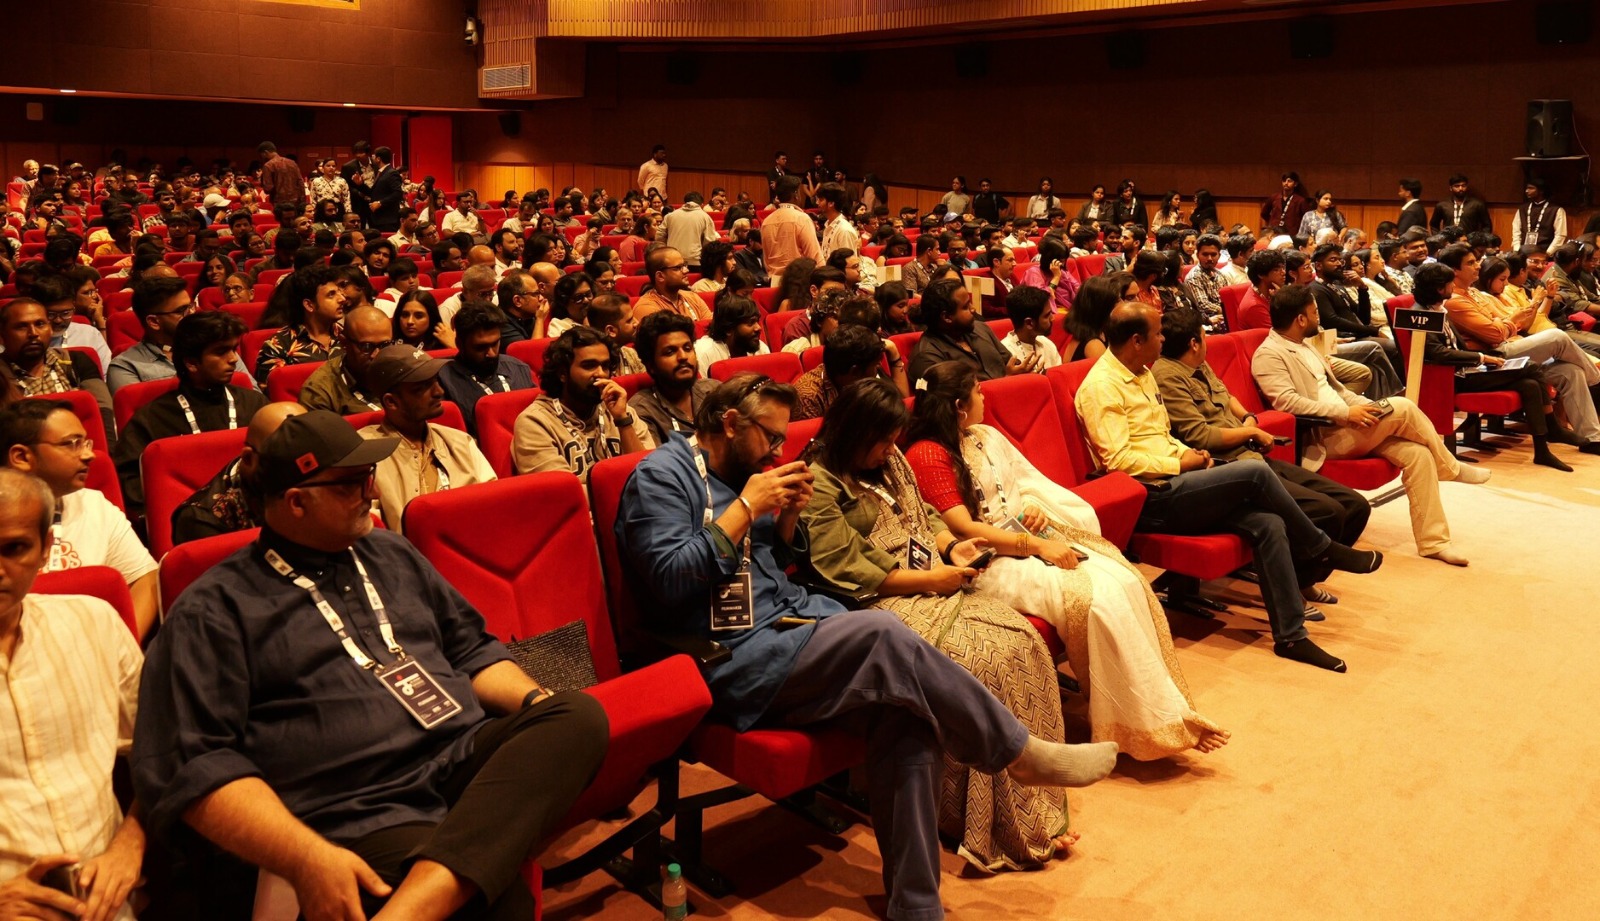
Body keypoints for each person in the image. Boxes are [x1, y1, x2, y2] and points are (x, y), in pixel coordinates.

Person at [617, 373, 1118, 921]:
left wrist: (784, 517)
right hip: (730, 655)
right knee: (882, 632)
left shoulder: (748, 472)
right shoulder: (660, 477)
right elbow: (668, 578)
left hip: (793, 628)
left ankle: (915, 905)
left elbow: (768, 564)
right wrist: (746, 508)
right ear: (730, 422)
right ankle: (1017, 753)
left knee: (908, 713)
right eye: (770, 436)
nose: (780, 450)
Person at [132, 409, 609, 919]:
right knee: (500, 902)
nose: (374, 493)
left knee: (576, 717)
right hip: (358, 805)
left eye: (371, 477)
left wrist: (534, 714)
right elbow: (196, 766)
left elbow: (471, 649)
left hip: (456, 755)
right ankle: (432, 895)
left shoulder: (390, 553)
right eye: (353, 483)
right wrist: (306, 854)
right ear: (296, 502)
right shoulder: (214, 609)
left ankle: (416, 903)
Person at [802, 377, 1088, 868]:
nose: (891, 450)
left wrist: (951, 546)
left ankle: (1034, 807)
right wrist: (931, 581)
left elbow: (926, 517)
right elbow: (848, 569)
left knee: (1021, 642)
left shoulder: (889, 459)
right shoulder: (820, 483)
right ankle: (983, 821)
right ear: (853, 432)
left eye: (895, 439)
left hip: (931, 579)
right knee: (983, 663)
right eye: (882, 439)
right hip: (876, 603)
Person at [905, 361, 1229, 758]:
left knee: (1125, 579)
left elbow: (1021, 488)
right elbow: (963, 528)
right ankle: (1133, 725)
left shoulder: (983, 435)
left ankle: (1164, 713)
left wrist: (1033, 511)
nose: (985, 396)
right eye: (978, 390)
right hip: (986, 563)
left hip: (1023, 539)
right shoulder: (927, 454)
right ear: (958, 404)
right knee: (1097, 600)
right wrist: (1036, 546)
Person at [1075, 302, 1384, 671]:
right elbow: (1119, 461)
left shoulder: (1141, 372)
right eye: (1158, 334)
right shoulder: (1102, 386)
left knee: (1268, 524)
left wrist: (1195, 456)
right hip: (1151, 496)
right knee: (1254, 474)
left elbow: (1159, 437)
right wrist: (1182, 461)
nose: (1163, 340)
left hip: (1183, 478)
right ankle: (1322, 547)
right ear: (1137, 340)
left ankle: (1291, 637)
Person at [1253, 284, 1490, 567]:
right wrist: (1345, 413)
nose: (1320, 318)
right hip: (1323, 435)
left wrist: (1361, 405)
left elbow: (1338, 390)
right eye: (1315, 313)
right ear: (1300, 319)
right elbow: (1287, 403)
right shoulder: (1269, 354)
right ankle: (1450, 467)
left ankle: (1434, 542)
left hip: (1347, 424)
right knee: (1402, 406)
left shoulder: (1304, 345)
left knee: (1418, 454)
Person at [0, 468, 146, 921]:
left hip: (112, 899)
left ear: (46, 550)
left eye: (14, 549)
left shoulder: (94, 622)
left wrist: (132, 842)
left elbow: (165, 753)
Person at [1152, 307, 1373, 606]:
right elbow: (1200, 436)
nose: (1206, 341)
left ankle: (1303, 577)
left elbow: (1225, 396)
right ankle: (1299, 582)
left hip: (1251, 456)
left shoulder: (1197, 363)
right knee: (1328, 512)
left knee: (1355, 505)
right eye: (1204, 336)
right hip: (1231, 468)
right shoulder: (1167, 376)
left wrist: (1249, 418)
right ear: (1195, 342)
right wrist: (1250, 433)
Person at [0, 400, 160, 639]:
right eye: (71, 444)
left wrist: (117, 646)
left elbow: (146, 578)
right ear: (22, 456)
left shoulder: (94, 504)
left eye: (85, 443)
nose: (88, 455)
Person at [1408, 263, 1577, 470]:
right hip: (1453, 377)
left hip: (1467, 369)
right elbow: (1438, 353)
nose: (1454, 286)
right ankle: (1553, 427)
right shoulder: (1421, 315)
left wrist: (1488, 356)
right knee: (1531, 367)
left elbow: (1457, 344)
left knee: (1529, 385)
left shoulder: (1439, 307)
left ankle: (1542, 451)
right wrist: (1481, 358)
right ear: (1439, 288)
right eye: (1450, 283)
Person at [1435, 245, 1600, 453]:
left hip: (1511, 344)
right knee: (1558, 337)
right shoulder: (1454, 301)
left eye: (1476, 261)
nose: (1477, 265)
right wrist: (1507, 323)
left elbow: (1511, 319)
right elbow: (1495, 334)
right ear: (1454, 270)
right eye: (1470, 263)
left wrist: (1505, 323)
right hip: (1492, 356)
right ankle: (1596, 381)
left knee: (1571, 371)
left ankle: (1593, 439)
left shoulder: (1475, 293)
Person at [112, 310, 265, 517]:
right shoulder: (151, 419)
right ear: (191, 363)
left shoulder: (254, 403)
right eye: (221, 352)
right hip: (189, 522)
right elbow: (134, 490)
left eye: (234, 349)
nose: (233, 359)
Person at [357, 345, 496, 534]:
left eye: (436, 381)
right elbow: (372, 536)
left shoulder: (461, 441)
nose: (439, 391)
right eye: (422, 387)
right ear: (391, 402)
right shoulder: (364, 454)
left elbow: (494, 507)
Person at [512, 327, 652, 480]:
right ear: (562, 373)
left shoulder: (620, 411)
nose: (600, 374)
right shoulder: (534, 423)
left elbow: (650, 475)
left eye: (605, 366)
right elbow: (561, 496)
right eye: (589, 366)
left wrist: (623, 421)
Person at [170, 402, 306, 547]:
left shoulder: (320, 476)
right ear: (248, 459)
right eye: (284, 462)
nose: (299, 472)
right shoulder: (201, 521)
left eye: (306, 460)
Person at [435, 302, 535, 436]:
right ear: (459, 344)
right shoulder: (441, 379)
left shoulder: (518, 368)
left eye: (495, 343)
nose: (492, 354)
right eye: (480, 348)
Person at [907, 277, 1024, 384]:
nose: (973, 309)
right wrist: (1007, 382)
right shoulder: (927, 357)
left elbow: (1010, 362)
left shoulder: (980, 328)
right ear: (947, 317)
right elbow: (954, 401)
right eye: (966, 306)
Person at [628, 311, 719, 446]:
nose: (683, 356)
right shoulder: (642, 410)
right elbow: (654, 464)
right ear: (650, 365)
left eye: (688, 348)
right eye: (670, 352)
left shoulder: (715, 390)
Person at [255, 265, 346, 386]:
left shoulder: (349, 336)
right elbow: (273, 393)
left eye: (339, 292)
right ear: (309, 305)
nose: (342, 299)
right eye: (331, 295)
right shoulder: (278, 346)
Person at [790, 323, 887, 421]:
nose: (879, 368)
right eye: (876, 365)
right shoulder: (809, 397)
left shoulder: (861, 381)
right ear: (855, 371)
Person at [33, 273, 111, 373]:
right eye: (50, 314)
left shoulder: (89, 334)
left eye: (65, 313)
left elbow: (105, 376)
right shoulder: (25, 339)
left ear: (73, 306)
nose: (58, 320)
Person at [762, 176, 822, 285]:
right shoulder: (801, 218)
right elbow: (815, 256)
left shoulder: (766, 221)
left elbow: (766, 260)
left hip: (774, 282)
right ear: (796, 194)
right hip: (799, 282)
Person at [694, 293, 770, 377]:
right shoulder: (704, 352)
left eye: (757, 321)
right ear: (728, 329)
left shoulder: (761, 348)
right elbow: (703, 388)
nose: (758, 328)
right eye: (750, 323)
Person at [633, 246, 711, 323]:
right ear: (660, 276)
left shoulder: (693, 297)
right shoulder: (646, 308)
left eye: (684, 265)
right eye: (678, 268)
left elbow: (708, 329)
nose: (686, 270)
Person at [997, 285, 1061, 373]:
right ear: (1029, 323)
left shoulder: (1046, 343)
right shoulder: (1006, 354)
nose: (1052, 318)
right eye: (1046, 316)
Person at [660, 191, 719, 272]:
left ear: (684, 202)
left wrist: (666, 250)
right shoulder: (706, 217)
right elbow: (709, 242)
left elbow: (659, 235)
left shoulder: (670, 215)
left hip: (672, 259)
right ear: (701, 204)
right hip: (695, 262)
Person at [1509, 179, 1567, 254]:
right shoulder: (1523, 209)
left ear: (1541, 191)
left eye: (1531, 188)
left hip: (1545, 252)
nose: (1527, 191)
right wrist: (1517, 250)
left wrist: (1548, 253)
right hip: (1523, 252)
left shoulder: (1556, 210)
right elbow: (1516, 231)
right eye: (1527, 188)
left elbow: (1560, 235)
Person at [257, 141, 303, 208]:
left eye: (261, 155)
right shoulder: (292, 163)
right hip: (296, 202)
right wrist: (302, 201)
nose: (262, 158)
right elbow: (300, 182)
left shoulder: (268, 165)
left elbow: (268, 189)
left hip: (279, 203)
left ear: (265, 152)